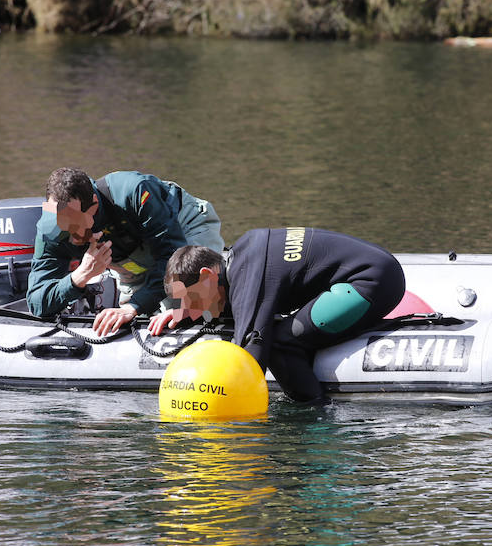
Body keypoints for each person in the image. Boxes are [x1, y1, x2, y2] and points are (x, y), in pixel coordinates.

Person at [148, 227, 406, 402]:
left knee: (281, 344)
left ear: (207, 275)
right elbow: (236, 305)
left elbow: (249, 357)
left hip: (370, 281)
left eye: (190, 299)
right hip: (376, 268)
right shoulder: (243, 258)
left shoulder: (250, 277)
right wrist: (186, 311)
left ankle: (312, 419)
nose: (192, 311)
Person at [27, 168, 224, 335]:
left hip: (184, 229)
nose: (66, 231)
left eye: (74, 223)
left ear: (94, 206)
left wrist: (134, 307)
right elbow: (37, 303)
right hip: (128, 257)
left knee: (181, 308)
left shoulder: (135, 191)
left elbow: (171, 256)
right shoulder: (50, 228)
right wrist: (78, 277)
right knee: (141, 322)